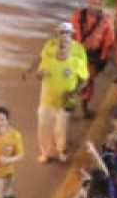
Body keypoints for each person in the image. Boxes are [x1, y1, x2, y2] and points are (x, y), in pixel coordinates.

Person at [29, 23, 89, 162]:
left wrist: (75, 92)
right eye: (61, 33)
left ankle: (61, 150)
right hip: (47, 100)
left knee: (61, 128)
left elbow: (84, 78)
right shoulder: (49, 56)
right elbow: (39, 72)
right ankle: (45, 152)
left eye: (66, 33)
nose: (63, 37)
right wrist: (36, 73)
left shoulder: (77, 58)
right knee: (44, 127)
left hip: (64, 102)